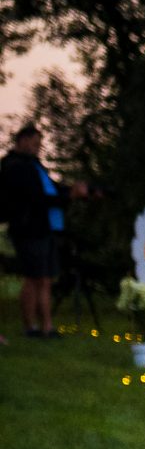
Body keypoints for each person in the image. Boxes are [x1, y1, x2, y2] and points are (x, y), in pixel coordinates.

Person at [2, 122, 85, 338]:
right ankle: (30, 327)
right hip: (29, 229)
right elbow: (34, 198)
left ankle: (47, 326)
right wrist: (68, 196)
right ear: (22, 141)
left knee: (46, 278)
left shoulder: (35, 165)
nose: (38, 147)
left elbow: (53, 190)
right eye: (34, 143)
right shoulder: (14, 166)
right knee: (34, 277)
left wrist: (73, 192)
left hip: (46, 228)